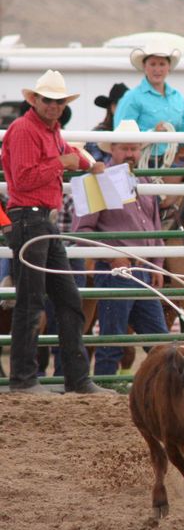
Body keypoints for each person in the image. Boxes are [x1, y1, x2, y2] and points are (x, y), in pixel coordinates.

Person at [1, 69, 116, 395]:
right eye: (48, 100)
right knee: (34, 301)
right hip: (30, 219)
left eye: (58, 101)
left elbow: (69, 153)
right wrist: (65, 162)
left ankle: (72, 379)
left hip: (37, 222)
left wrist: (85, 162)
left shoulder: (47, 130)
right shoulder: (25, 130)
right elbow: (23, 180)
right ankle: (29, 380)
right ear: (35, 100)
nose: (53, 106)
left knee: (65, 300)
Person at [72, 119, 169, 376]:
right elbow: (81, 231)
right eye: (124, 148)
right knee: (114, 341)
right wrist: (112, 256)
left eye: (134, 148)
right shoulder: (97, 181)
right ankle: (104, 390)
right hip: (116, 273)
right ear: (112, 149)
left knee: (161, 343)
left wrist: (157, 263)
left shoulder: (144, 181)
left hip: (143, 272)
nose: (130, 154)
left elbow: (154, 227)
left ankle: (161, 388)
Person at [114, 38, 184, 166]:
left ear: (168, 67)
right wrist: (152, 134)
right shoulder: (132, 97)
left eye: (162, 64)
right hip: (143, 162)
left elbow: (182, 138)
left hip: (171, 161)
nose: (157, 69)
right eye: (153, 64)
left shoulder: (178, 99)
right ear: (145, 67)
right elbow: (120, 134)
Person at [84, 82, 129, 163]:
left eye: (125, 105)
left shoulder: (140, 130)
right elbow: (97, 165)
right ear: (110, 107)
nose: (121, 109)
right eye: (117, 104)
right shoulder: (97, 134)